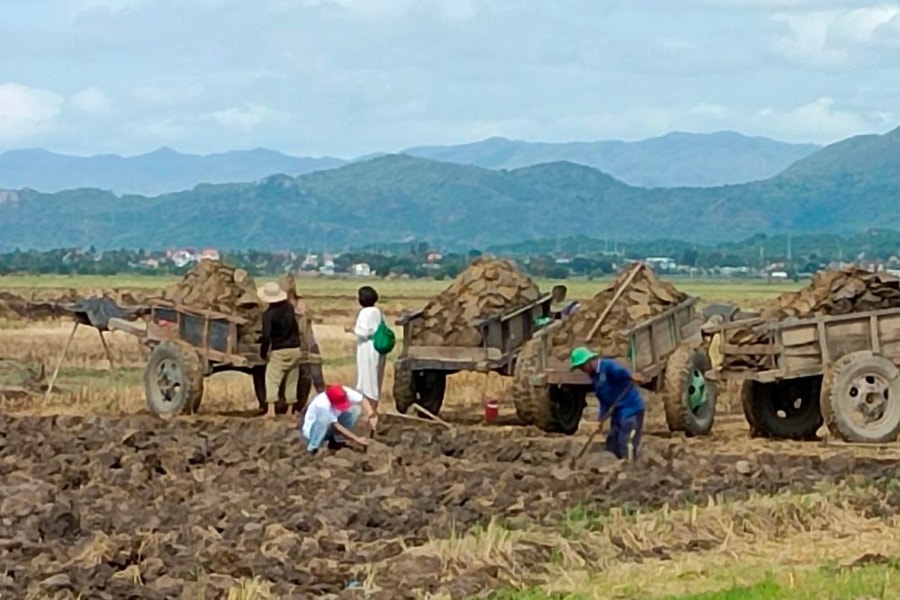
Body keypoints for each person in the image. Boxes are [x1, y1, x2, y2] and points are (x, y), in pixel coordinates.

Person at [570, 346, 645, 460]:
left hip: (631, 409)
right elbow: (603, 401)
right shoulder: (594, 377)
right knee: (612, 443)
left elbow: (622, 372)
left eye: (582, 366)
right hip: (617, 412)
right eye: (579, 367)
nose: (582, 369)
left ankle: (629, 470)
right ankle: (614, 468)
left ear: (589, 361)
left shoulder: (608, 366)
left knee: (626, 441)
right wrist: (600, 421)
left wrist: (632, 376)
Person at [276, 273, 326, 412]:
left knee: (316, 375)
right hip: (289, 343)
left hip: (308, 342)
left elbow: (304, 316)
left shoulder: (301, 302)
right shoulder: (278, 304)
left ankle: (324, 403)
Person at [258, 281, 303, 418]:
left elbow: (266, 336)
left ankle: (271, 411)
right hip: (295, 349)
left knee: (272, 379)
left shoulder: (268, 315)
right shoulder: (289, 308)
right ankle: (290, 410)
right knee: (292, 379)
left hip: (280, 350)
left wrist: (263, 353)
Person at [300, 384, 376, 454]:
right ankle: (313, 447)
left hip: (331, 427)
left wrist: (371, 415)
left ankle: (337, 441)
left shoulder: (344, 391)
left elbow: (362, 400)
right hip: (313, 431)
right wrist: (357, 439)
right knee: (323, 420)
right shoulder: (322, 404)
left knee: (355, 410)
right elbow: (336, 425)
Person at [346, 285, 386, 410]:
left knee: (368, 380)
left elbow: (364, 332)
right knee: (374, 378)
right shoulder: (377, 311)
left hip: (367, 348)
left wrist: (351, 329)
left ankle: (370, 410)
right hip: (375, 348)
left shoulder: (365, 312)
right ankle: (372, 408)